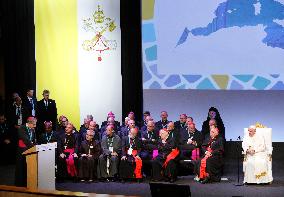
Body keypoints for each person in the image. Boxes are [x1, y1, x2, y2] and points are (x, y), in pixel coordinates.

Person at [14, 117, 37, 186]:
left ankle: (27, 182)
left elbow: (34, 139)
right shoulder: (22, 128)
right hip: (22, 150)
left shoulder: (32, 129)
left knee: (27, 167)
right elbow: (25, 139)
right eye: (34, 124)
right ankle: (20, 184)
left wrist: (36, 145)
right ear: (29, 123)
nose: (35, 126)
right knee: (21, 167)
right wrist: (33, 146)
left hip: (29, 149)